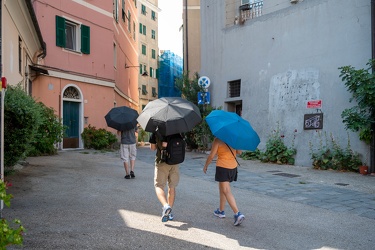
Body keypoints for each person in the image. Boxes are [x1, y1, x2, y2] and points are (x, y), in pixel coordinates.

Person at [203, 137, 245, 226]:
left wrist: (206, 165)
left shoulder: (218, 140)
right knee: (222, 189)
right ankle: (221, 211)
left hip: (223, 167)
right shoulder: (234, 138)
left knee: (226, 191)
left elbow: (211, 155)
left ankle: (237, 213)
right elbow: (239, 152)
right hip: (233, 167)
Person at [149, 132, 180, 222]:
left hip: (162, 162)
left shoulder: (156, 131)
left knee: (159, 185)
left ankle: (166, 206)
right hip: (175, 162)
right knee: (172, 187)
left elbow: (152, 148)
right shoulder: (178, 130)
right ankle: (169, 213)